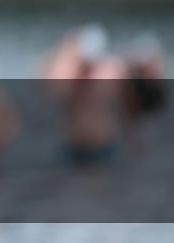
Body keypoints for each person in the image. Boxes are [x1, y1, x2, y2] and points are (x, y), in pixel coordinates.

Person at [41, 24, 139, 165]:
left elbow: (129, 103)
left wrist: (133, 134)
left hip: (104, 144)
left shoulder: (114, 70)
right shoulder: (69, 71)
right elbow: (52, 89)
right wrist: (65, 53)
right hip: (72, 146)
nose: (90, 66)